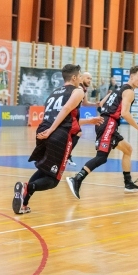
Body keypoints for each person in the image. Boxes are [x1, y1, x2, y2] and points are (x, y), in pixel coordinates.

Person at [65, 65, 138, 199]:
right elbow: (125, 113)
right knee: (101, 157)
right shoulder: (129, 91)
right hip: (108, 123)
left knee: (128, 150)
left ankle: (128, 183)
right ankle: (77, 179)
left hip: (107, 122)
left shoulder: (119, 89)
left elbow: (104, 105)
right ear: (132, 76)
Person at [12, 64, 86, 214]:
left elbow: (59, 114)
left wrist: (48, 130)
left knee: (43, 170)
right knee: (53, 180)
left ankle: (23, 202)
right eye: (79, 76)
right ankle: (27, 187)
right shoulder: (78, 91)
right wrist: (52, 130)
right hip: (57, 134)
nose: (81, 79)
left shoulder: (54, 93)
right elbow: (65, 110)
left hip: (42, 130)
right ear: (73, 77)